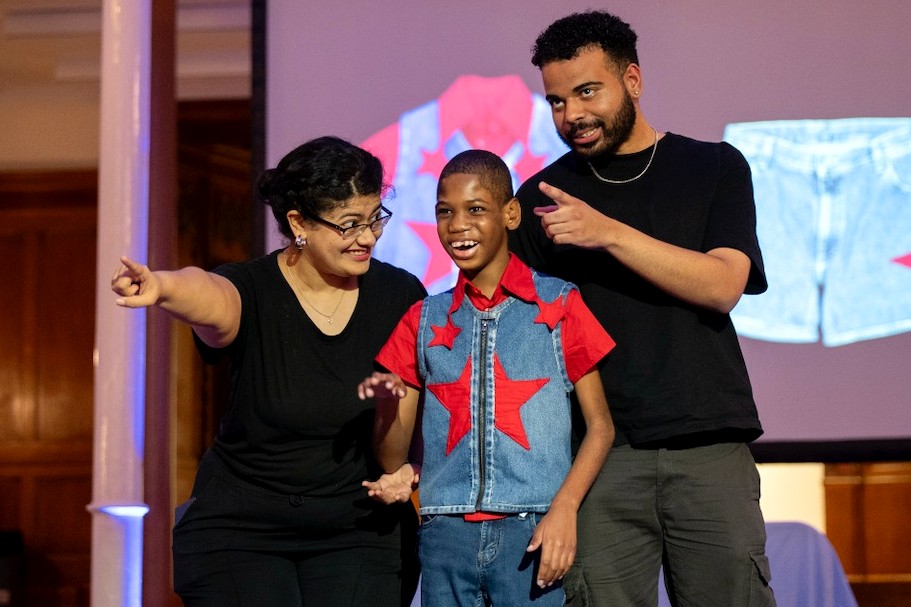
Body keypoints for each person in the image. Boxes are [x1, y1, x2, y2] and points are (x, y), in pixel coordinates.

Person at [507, 10, 777, 607]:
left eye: (587, 92)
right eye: (556, 102)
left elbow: (723, 285)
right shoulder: (542, 199)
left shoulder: (714, 166)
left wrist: (606, 232)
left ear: (632, 80)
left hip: (707, 443)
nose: (572, 115)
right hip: (597, 455)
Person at [110, 136, 426, 606]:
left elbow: (411, 440)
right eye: (349, 224)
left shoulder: (399, 295)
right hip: (241, 528)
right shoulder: (253, 288)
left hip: (357, 528)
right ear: (298, 223)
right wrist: (162, 285)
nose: (368, 237)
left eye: (375, 217)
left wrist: (410, 470)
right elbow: (209, 292)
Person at [357, 149, 616, 606]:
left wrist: (565, 509)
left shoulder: (559, 304)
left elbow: (601, 427)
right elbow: (391, 456)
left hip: (533, 528)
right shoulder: (422, 319)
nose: (458, 225)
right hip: (445, 533)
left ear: (510, 214)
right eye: (445, 212)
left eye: (475, 209)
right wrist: (387, 403)